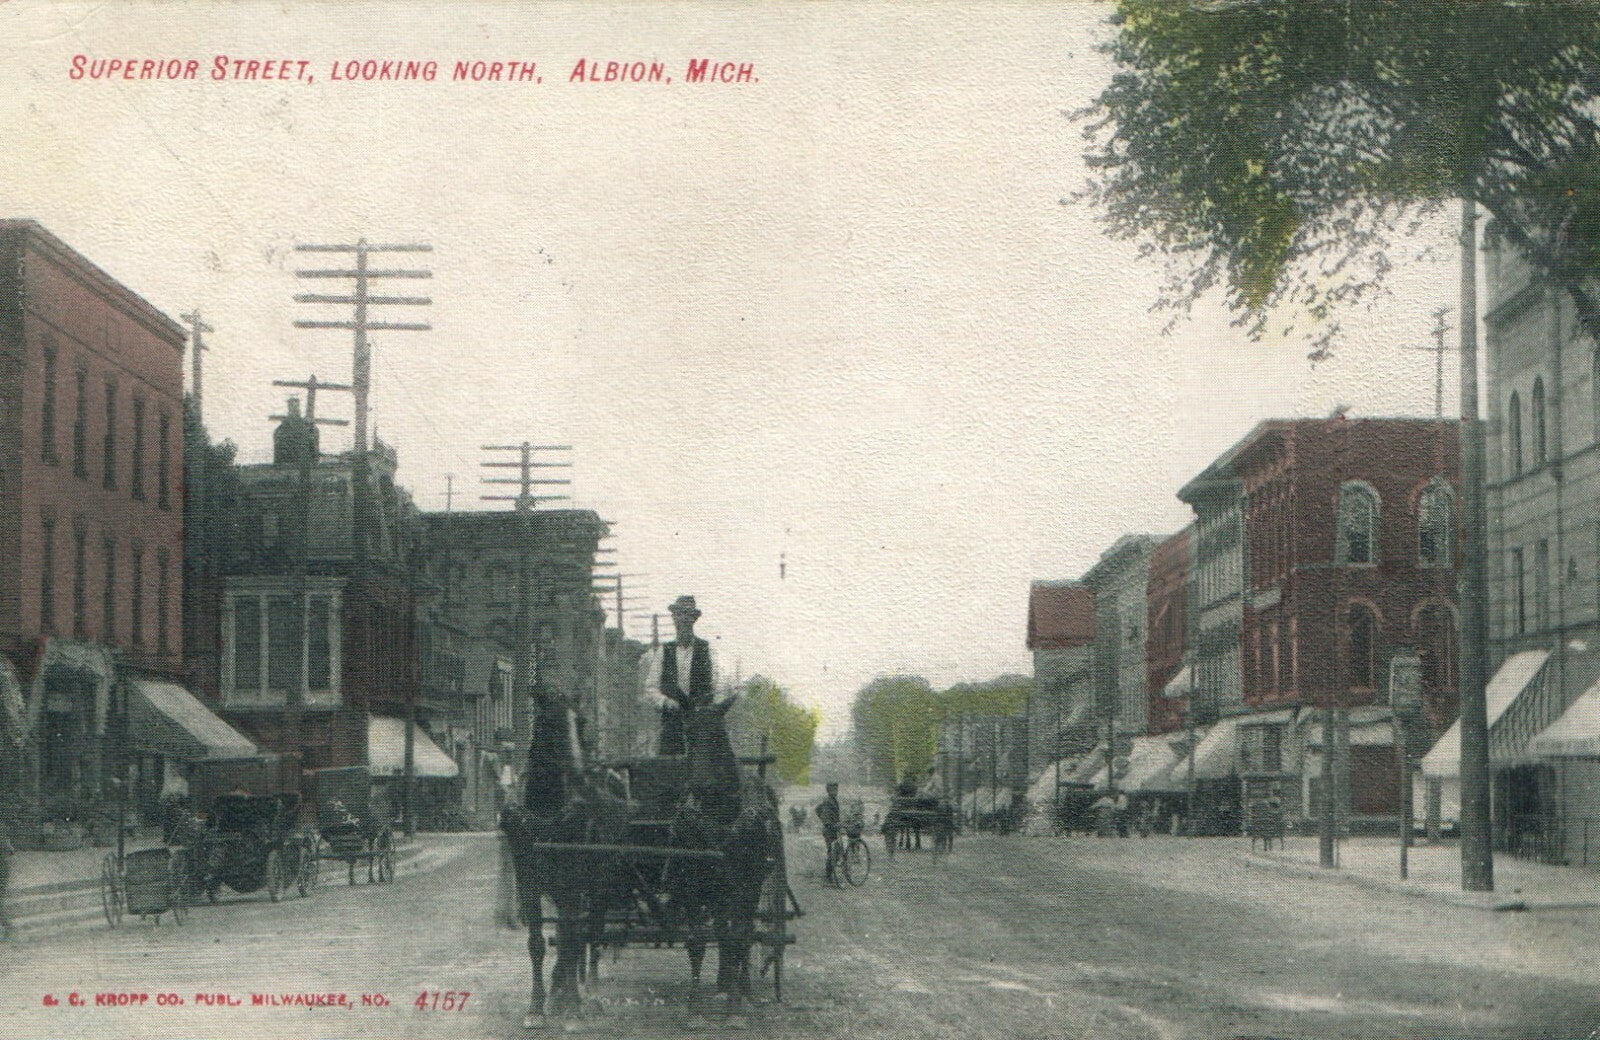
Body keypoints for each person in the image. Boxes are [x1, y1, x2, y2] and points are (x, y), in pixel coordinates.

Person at [644, 596, 715, 755]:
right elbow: (650, 688)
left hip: (699, 724)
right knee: (669, 764)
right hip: (671, 725)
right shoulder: (664, 651)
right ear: (674, 619)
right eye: (679, 615)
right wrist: (666, 702)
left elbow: (714, 686)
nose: (683, 620)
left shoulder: (705, 649)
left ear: (694, 619)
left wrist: (702, 706)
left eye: (688, 615)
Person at [815, 782, 842, 883]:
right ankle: (828, 876)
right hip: (829, 829)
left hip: (834, 829)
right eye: (833, 790)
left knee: (836, 851)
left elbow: (818, 809)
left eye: (836, 790)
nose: (835, 792)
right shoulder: (827, 801)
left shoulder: (833, 800)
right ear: (828, 791)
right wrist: (826, 821)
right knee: (832, 852)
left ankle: (830, 874)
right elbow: (818, 810)